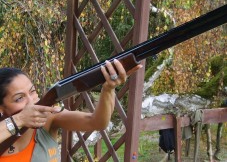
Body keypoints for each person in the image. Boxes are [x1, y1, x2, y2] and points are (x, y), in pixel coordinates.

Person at [0, 59, 142, 162]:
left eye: (33, 92)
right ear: (2, 108)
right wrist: (19, 120)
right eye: (19, 98)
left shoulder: (49, 117)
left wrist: (108, 88)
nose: (32, 102)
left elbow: (97, 122)